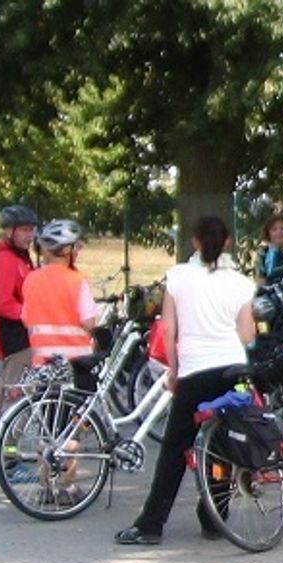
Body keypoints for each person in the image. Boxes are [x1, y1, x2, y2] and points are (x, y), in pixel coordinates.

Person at [115, 215, 255, 545]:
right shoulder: (240, 282)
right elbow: (247, 334)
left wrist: (174, 371)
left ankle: (151, 523)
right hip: (233, 369)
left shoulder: (177, 277)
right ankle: (214, 517)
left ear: (194, 242)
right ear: (228, 243)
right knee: (223, 444)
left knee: (175, 448)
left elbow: (169, 331)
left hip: (195, 370)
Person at [0, 205, 39, 425]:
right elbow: (3, 302)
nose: (30, 235)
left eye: (31, 230)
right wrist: (30, 314)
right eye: (24, 230)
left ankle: (5, 446)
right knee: (15, 395)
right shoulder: (7, 259)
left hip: (23, 333)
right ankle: (7, 452)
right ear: (10, 231)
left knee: (15, 390)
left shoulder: (22, 257)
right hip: (14, 337)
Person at [21, 220, 97, 366]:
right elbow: (88, 322)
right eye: (76, 247)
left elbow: (26, 319)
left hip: (43, 363)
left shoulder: (31, 279)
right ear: (66, 250)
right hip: (77, 362)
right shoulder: (77, 280)